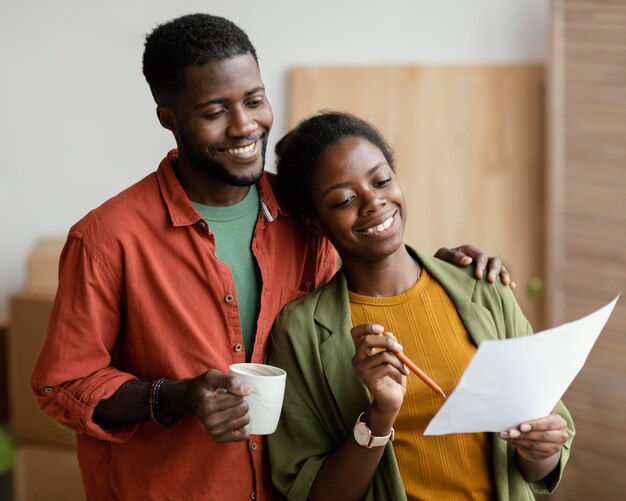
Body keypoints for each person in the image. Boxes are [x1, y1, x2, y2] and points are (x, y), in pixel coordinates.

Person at [31, 14, 512, 501]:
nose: (244, 126)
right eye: (214, 111)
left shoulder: (305, 210)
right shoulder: (106, 239)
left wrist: (451, 270)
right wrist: (175, 397)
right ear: (168, 117)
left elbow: (373, 255)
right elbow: (63, 383)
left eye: (255, 100)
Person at [267, 111, 574, 501]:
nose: (374, 203)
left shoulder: (485, 289)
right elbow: (313, 493)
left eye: (381, 181)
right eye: (344, 199)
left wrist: (541, 450)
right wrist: (379, 416)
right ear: (314, 223)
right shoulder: (301, 331)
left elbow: (542, 461)